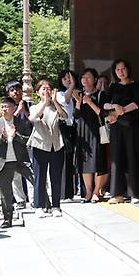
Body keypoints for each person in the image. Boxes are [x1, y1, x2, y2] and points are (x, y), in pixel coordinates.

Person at [0, 97, 34, 228]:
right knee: (5, 193)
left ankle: (46, 205)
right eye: (2, 107)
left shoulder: (21, 123)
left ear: (13, 108)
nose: (3, 109)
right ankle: (7, 219)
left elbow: (28, 140)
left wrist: (15, 135)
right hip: (2, 162)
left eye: (6, 107)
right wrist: (2, 137)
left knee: (35, 180)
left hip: (20, 160)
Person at [103, 59, 139, 204]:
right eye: (118, 69)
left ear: (128, 69)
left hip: (132, 126)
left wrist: (119, 112)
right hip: (116, 128)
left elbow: (136, 104)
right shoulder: (113, 87)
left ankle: (135, 194)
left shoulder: (137, 86)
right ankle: (117, 194)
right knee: (116, 158)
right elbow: (105, 104)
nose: (121, 72)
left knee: (133, 157)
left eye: (123, 68)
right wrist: (114, 106)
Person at [28, 80, 68, 217]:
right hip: (40, 144)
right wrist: (45, 103)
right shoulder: (35, 107)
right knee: (40, 177)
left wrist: (54, 102)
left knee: (55, 176)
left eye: (49, 89)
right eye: (43, 89)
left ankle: (56, 206)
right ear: (38, 92)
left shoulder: (56, 106)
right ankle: (39, 206)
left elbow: (65, 116)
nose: (47, 91)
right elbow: (33, 118)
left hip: (56, 145)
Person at [73, 68, 109, 203]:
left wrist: (89, 102)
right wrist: (78, 102)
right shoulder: (79, 95)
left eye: (88, 77)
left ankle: (96, 191)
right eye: (83, 77)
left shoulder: (101, 94)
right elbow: (75, 116)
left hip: (96, 131)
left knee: (98, 161)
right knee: (84, 163)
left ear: (95, 80)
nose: (85, 80)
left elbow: (102, 113)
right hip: (82, 132)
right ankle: (88, 191)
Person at [6, 80, 33, 209]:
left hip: (29, 142)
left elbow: (35, 122)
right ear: (8, 93)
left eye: (18, 89)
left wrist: (25, 112)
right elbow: (6, 123)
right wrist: (17, 112)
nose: (16, 92)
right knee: (15, 174)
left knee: (30, 171)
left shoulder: (29, 104)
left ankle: (34, 199)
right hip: (13, 144)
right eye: (12, 90)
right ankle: (20, 200)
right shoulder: (6, 107)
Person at [57, 69, 78, 202]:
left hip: (76, 128)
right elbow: (65, 99)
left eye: (69, 78)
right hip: (64, 128)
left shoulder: (78, 92)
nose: (68, 80)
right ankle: (65, 193)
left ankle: (72, 191)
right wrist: (72, 85)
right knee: (65, 159)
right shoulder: (59, 94)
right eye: (65, 79)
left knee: (73, 160)